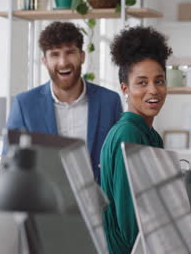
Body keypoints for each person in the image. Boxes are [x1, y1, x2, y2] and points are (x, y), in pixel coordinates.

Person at [6, 21, 122, 183]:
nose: (63, 62)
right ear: (44, 61)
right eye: (54, 54)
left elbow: (120, 163)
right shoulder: (24, 105)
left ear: (82, 56)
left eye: (70, 52)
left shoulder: (110, 101)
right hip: (45, 205)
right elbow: (10, 167)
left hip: (99, 205)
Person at [100, 26, 173, 254]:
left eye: (159, 81)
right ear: (125, 88)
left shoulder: (150, 136)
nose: (153, 90)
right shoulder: (128, 134)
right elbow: (130, 220)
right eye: (142, 82)